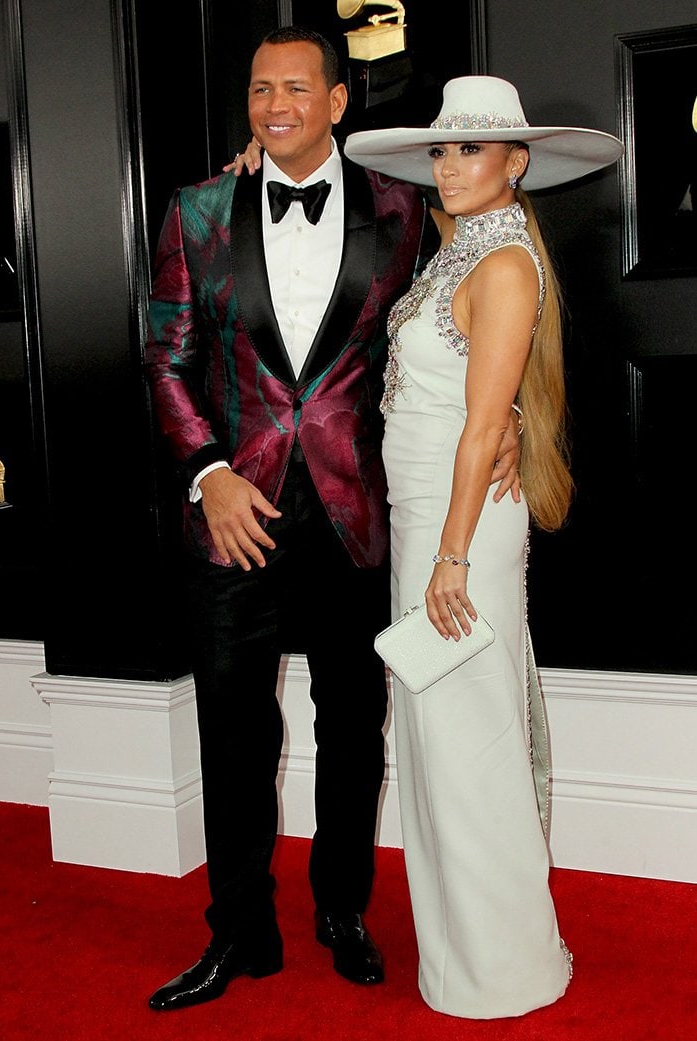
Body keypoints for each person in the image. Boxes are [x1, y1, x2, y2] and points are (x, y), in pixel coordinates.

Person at [144, 31, 520, 1012]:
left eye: (296, 86)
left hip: (360, 514)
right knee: (232, 731)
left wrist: (510, 415)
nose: (275, 102)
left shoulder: (405, 212)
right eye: (260, 86)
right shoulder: (196, 210)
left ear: (338, 101)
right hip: (233, 517)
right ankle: (238, 933)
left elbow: (474, 309)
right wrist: (207, 472)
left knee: (354, 727)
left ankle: (341, 912)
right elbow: (165, 357)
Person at [342, 76, 623, 1018]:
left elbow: (481, 426)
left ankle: (502, 967)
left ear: (518, 162)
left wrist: (452, 554)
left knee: (469, 744)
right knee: (441, 739)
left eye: (473, 149)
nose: (451, 166)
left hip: (456, 528)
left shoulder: (501, 265)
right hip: (435, 516)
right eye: (443, 150)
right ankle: (468, 955)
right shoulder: (461, 251)